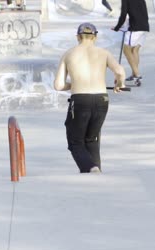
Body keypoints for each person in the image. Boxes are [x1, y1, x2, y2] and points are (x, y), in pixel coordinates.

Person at [54, 22, 126, 173]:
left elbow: (58, 86)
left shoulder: (68, 54)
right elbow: (119, 71)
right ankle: (96, 171)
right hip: (102, 99)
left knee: (75, 142)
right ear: (95, 37)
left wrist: (73, 84)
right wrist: (119, 84)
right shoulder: (104, 53)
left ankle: (90, 168)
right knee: (91, 139)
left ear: (77, 37)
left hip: (80, 99)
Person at [112, 0, 149, 85]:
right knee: (134, 50)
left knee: (126, 49)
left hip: (135, 28)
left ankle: (137, 74)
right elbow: (143, 13)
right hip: (144, 27)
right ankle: (134, 74)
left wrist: (117, 28)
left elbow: (123, 15)